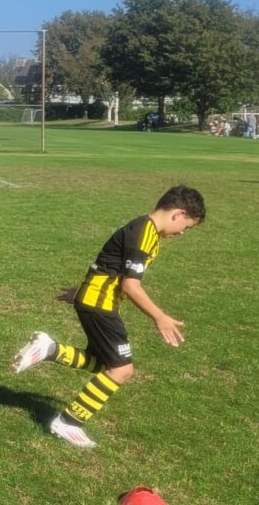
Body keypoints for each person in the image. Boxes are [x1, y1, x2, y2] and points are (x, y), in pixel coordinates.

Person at [11, 185, 205, 449]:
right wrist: (160, 317)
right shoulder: (144, 232)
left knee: (101, 363)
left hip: (95, 299)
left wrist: (80, 292)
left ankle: (49, 349)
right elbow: (130, 285)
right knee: (122, 370)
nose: (182, 232)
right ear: (178, 214)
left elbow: (107, 263)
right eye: (187, 226)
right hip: (100, 304)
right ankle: (69, 421)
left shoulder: (144, 229)